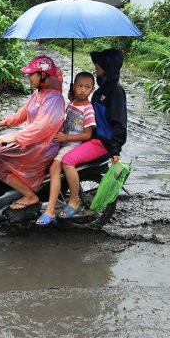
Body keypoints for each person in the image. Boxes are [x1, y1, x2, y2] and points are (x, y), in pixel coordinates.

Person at [54, 48, 128, 219]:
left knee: (68, 160)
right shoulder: (99, 91)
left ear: (108, 66)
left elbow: (119, 122)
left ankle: (74, 201)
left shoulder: (115, 91)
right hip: (91, 138)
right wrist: (76, 98)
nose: (96, 66)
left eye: (99, 64)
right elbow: (87, 114)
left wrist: (115, 149)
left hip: (102, 142)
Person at [0, 55, 65, 220]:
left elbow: (43, 127)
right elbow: (22, 114)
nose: (29, 77)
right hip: (34, 141)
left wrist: (15, 137)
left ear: (43, 75)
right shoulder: (38, 93)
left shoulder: (55, 98)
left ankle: (30, 196)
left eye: (32, 74)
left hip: (45, 145)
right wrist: (1, 123)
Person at [37, 72, 96, 226]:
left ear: (92, 89)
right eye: (79, 86)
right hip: (63, 141)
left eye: (87, 87)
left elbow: (87, 135)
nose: (83, 90)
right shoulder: (73, 103)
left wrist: (66, 138)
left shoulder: (88, 110)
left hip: (72, 144)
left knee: (55, 168)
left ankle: (52, 208)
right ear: (74, 87)